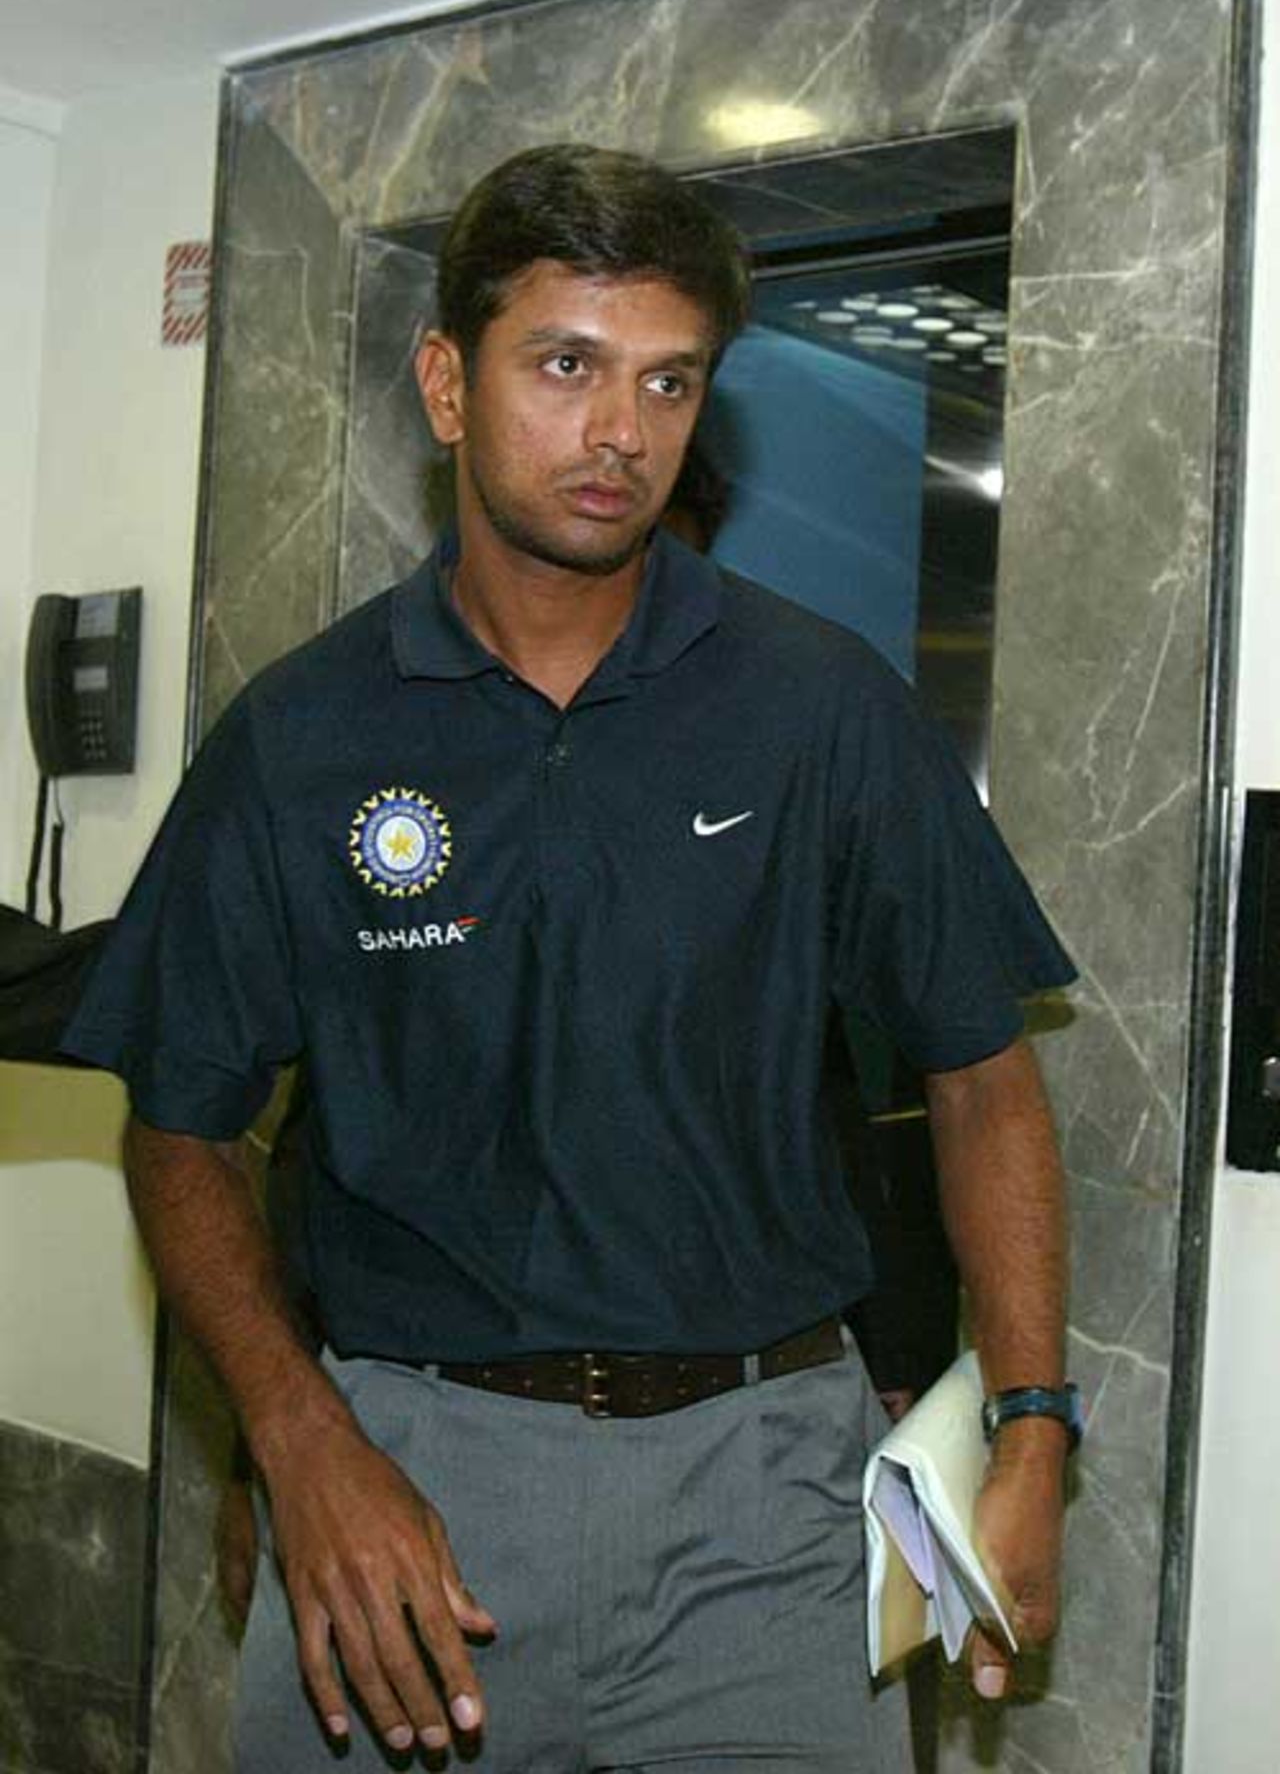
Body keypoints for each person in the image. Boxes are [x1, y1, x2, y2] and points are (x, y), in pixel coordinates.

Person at [65, 143, 1078, 1771]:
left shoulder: (818, 708)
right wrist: (298, 1439)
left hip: (765, 1500)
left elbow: (982, 1077)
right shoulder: (302, 737)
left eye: (670, 381)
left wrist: (1032, 1432)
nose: (622, 431)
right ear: (445, 384)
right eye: (566, 366)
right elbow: (181, 1128)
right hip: (413, 1485)